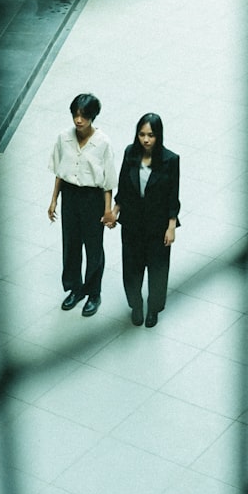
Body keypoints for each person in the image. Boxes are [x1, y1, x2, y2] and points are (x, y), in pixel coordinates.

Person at [47, 94, 117, 317]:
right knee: (71, 243)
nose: (78, 120)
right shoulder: (63, 138)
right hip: (70, 195)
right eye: (75, 115)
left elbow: (107, 181)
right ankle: (75, 289)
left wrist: (107, 210)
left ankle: (94, 293)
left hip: (92, 198)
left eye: (84, 116)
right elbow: (60, 171)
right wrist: (54, 199)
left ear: (93, 116)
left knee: (94, 246)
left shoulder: (103, 142)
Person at [108, 113, 180, 327]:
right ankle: (136, 305)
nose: (146, 140)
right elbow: (123, 185)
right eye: (142, 134)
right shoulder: (130, 154)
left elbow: (172, 196)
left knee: (157, 269)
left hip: (157, 226)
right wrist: (114, 211)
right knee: (131, 268)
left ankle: (153, 309)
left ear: (159, 136)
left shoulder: (170, 160)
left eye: (151, 135)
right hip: (132, 223)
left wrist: (171, 226)